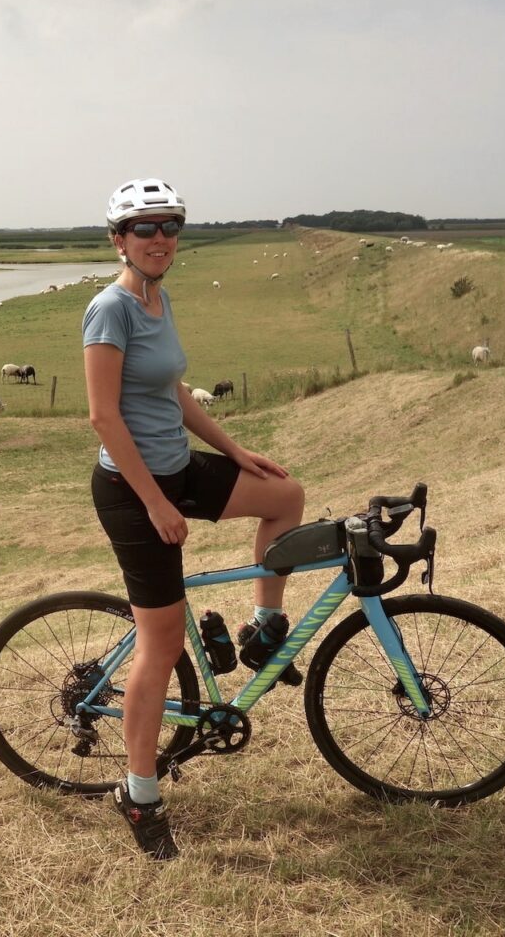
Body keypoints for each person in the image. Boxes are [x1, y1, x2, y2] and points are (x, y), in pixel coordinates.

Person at [83, 178, 305, 860]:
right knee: (162, 645)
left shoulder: (159, 298)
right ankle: (139, 793)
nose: (159, 239)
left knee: (286, 496)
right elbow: (104, 415)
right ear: (119, 239)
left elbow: (172, 390)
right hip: (131, 489)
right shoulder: (110, 309)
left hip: (177, 470)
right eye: (144, 228)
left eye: (170, 227)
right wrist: (154, 503)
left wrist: (234, 450)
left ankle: (264, 628)